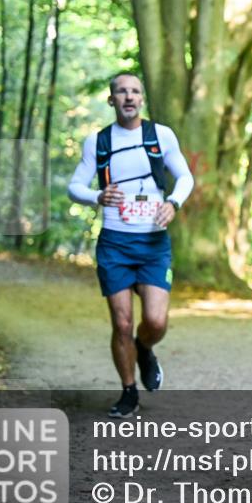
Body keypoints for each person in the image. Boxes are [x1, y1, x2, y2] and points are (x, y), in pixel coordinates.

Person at [68, 73, 194, 418]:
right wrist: (97, 195)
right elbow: (74, 186)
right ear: (111, 100)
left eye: (135, 91)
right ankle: (128, 391)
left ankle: (144, 348)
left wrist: (174, 203)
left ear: (141, 99)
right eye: (121, 91)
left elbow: (185, 177)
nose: (128, 96)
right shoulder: (98, 142)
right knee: (121, 323)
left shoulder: (160, 136)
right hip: (115, 243)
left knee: (155, 321)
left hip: (153, 243)